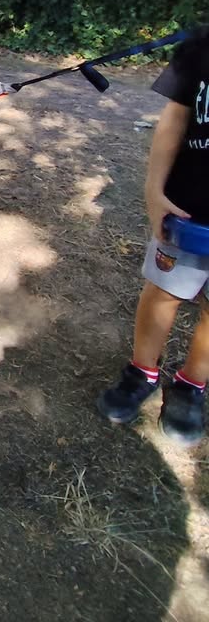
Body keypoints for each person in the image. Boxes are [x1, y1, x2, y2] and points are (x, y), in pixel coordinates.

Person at [98, 29, 209, 445]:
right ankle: (142, 372)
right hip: (187, 211)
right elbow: (175, 120)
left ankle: (191, 385)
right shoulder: (201, 47)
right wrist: (153, 190)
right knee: (163, 291)